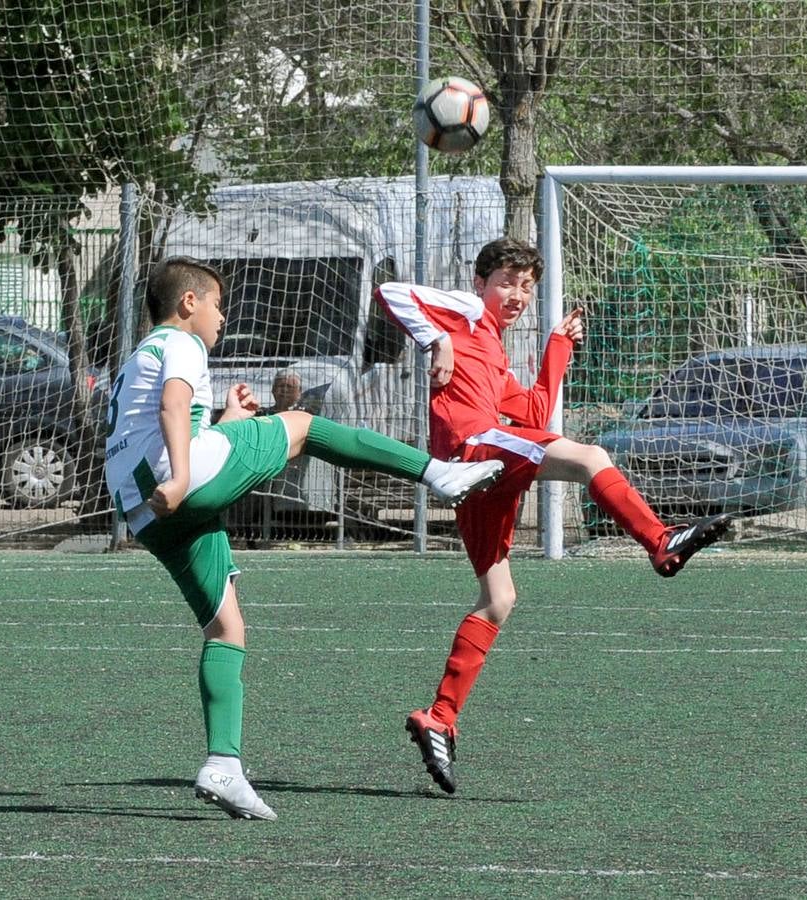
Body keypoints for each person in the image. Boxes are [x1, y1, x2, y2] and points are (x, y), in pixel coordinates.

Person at [103, 255, 505, 821]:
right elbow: (172, 406)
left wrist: (224, 427)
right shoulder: (181, 342)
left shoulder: (133, 361)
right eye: (218, 304)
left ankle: (224, 764)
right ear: (188, 303)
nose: (222, 317)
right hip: (177, 485)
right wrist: (182, 476)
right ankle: (436, 472)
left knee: (227, 627)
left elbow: (156, 424)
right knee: (303, 427)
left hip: (142, 511)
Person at [374, 237, 731, 795]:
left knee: (499, 600)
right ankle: (660, 541)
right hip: (474, 451)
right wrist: (436, 337)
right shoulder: (464, 315)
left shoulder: (493, 353)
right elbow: (390, 290)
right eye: (505, 282)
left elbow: (536, 412)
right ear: (480, 284)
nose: (515, 294)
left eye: (525, 286)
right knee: (590, 456)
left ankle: (439, 717)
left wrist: (557, 347)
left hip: (476, 478)